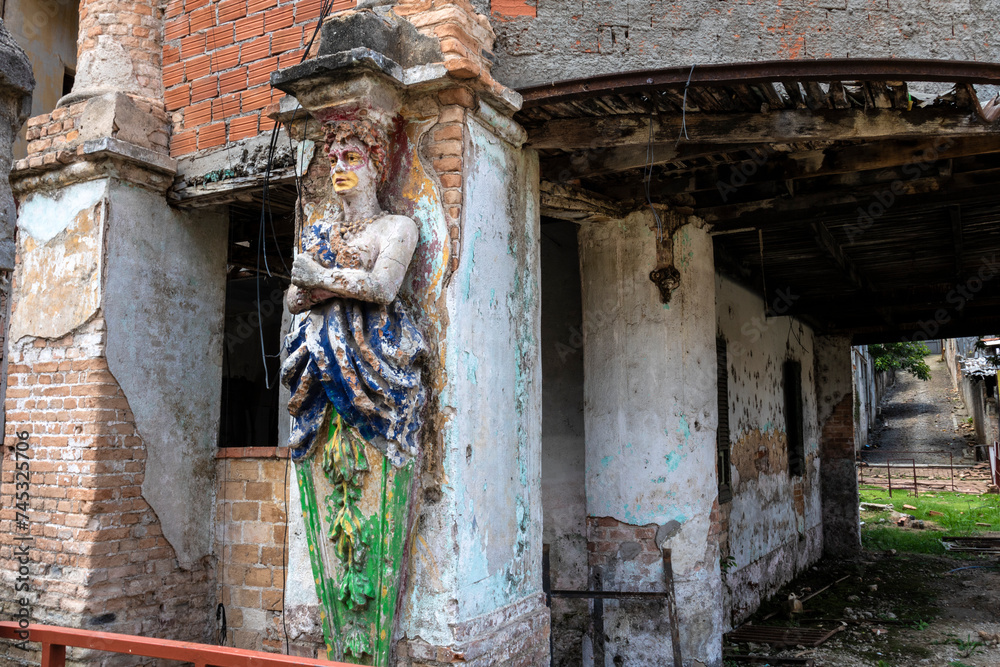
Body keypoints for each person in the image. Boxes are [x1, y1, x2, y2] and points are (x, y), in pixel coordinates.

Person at [281, 119, 427, 466]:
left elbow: (382, 287)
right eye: (333, 161)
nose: (339, 168)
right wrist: (310, 292)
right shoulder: (319, 231)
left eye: (351, 158)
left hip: (373, 352)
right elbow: (292, 299)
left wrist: (321, 278)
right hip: (315, 353)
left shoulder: (396, 227)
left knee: (375, 463)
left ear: (375, 168)